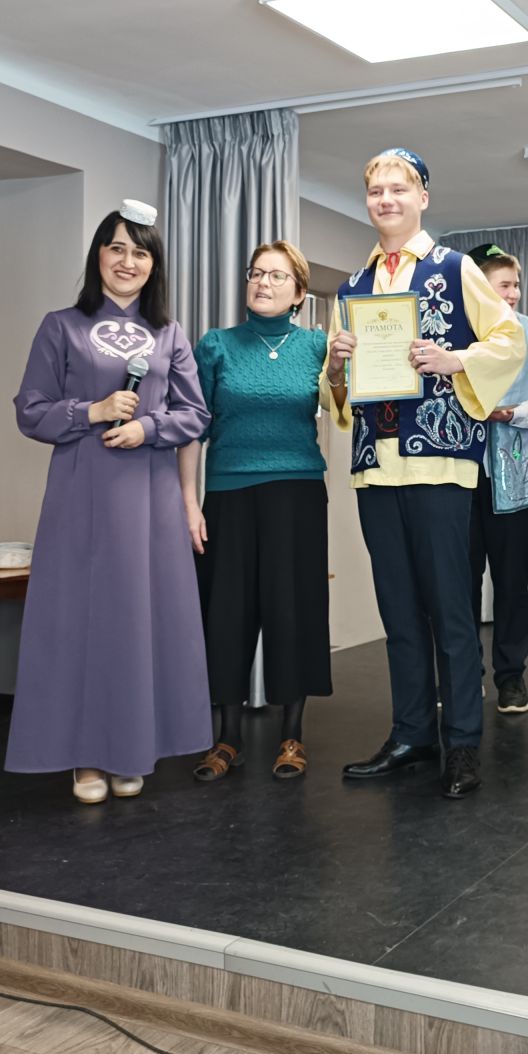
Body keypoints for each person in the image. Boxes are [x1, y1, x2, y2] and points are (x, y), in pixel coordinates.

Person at [324, 149, 524, 799]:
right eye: (376, 191)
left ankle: (461, 740)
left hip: (439, 459)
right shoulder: (351, 287)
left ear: (423, 198)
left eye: (398, 189)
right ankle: (412, 732)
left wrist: (454, 358)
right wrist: (335, 366)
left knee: (450, 607)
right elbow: (336, 389)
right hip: (375, 466)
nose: (386, 200)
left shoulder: (456, 268)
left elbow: (509, 342)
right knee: (399, 609)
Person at [6, 201, 212, 804]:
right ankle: (86, 756)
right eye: (116, 248)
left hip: (149, 499)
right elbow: (30, 410)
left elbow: (195, 414)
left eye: (140, 252)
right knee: (83, 621)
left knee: (139, 622)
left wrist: (147, 428)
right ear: (98, 255)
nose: (128, 262)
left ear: (154, 266)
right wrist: (90, 411)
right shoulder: (61, 326)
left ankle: (132, 748)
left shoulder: (169, 334)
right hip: (82, 496)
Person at [182, 241, 332, 782]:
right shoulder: (216, 345)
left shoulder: (318, 346)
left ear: (299, 293)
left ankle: (292, 735)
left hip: (297, 492)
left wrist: (341, 368)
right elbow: (192, 429)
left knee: (293, 611)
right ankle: (228, 738)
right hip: (227, 495)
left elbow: (342, 406)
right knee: (226, 614)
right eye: (256, 273)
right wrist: (189, 503)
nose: (263, 282)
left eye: (277, 275)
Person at [463, 242, 528, 714]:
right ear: (478, 287)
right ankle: (465, 675)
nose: (514, 294)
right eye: (504, 284)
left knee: (510, 583)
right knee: (460, 584)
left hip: (515, 478)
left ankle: (510, 678)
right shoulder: (454, 336)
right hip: (459, 479)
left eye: (516, 285)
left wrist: (513, 413)